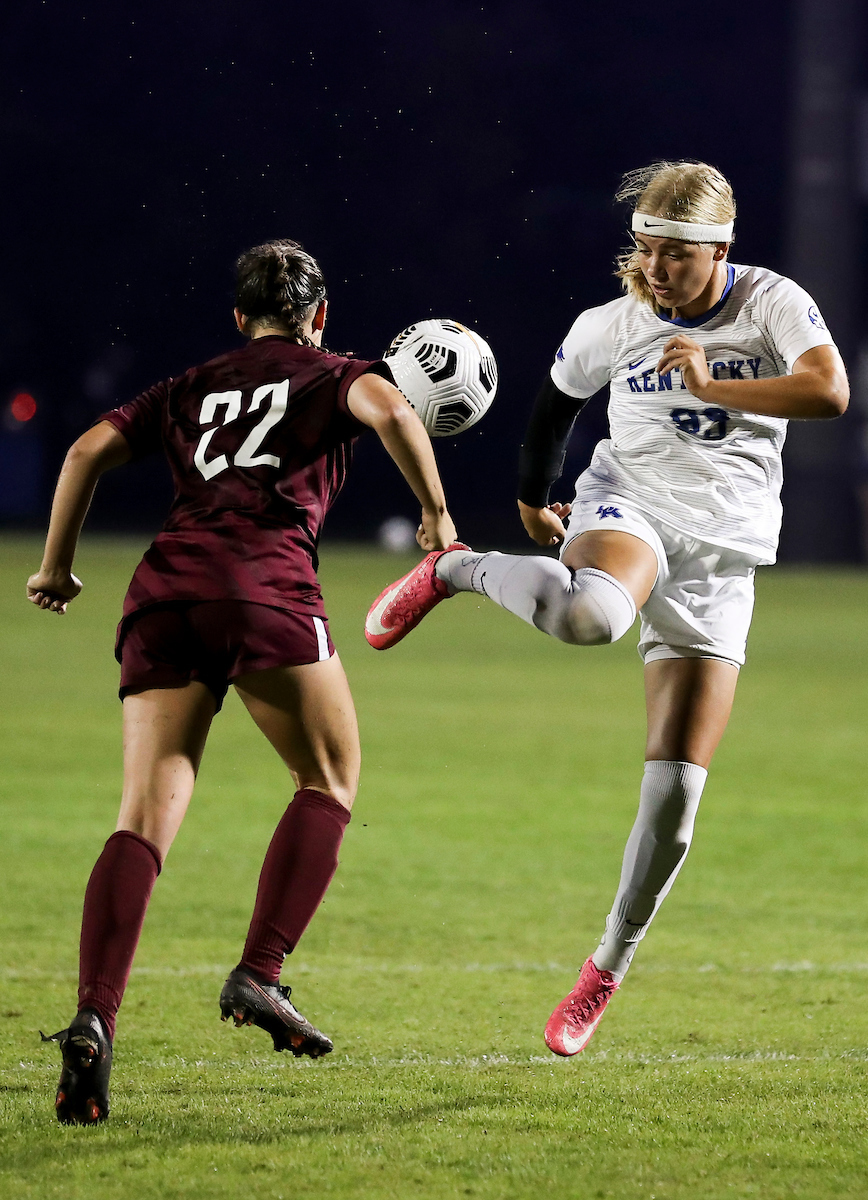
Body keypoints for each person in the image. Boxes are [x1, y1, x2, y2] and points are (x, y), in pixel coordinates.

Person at [365, 162, 849, 1056]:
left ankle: (604, 970)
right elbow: (555, 403)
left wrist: (715, 386)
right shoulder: (613, 326)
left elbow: (829, 391)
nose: (657, 269)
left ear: (720, 249)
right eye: (646, 250)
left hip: (724, 558)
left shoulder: (775, 302)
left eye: (674, 253)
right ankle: (456, 571)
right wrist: (534, 494)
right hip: (632, 506)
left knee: (676, 803)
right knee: (591, 616)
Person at [28, 239, 457, 1124]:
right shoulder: (333, 371)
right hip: (263, 591)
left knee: (142, 815)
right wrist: (437, 515)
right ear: (320, 316)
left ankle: (94, 1017)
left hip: (164, 595)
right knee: (330, 779)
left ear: (237, 317)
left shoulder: (189, 385)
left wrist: (56, 570)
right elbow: (395, 413)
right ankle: (260, 973)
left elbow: (79, 455)